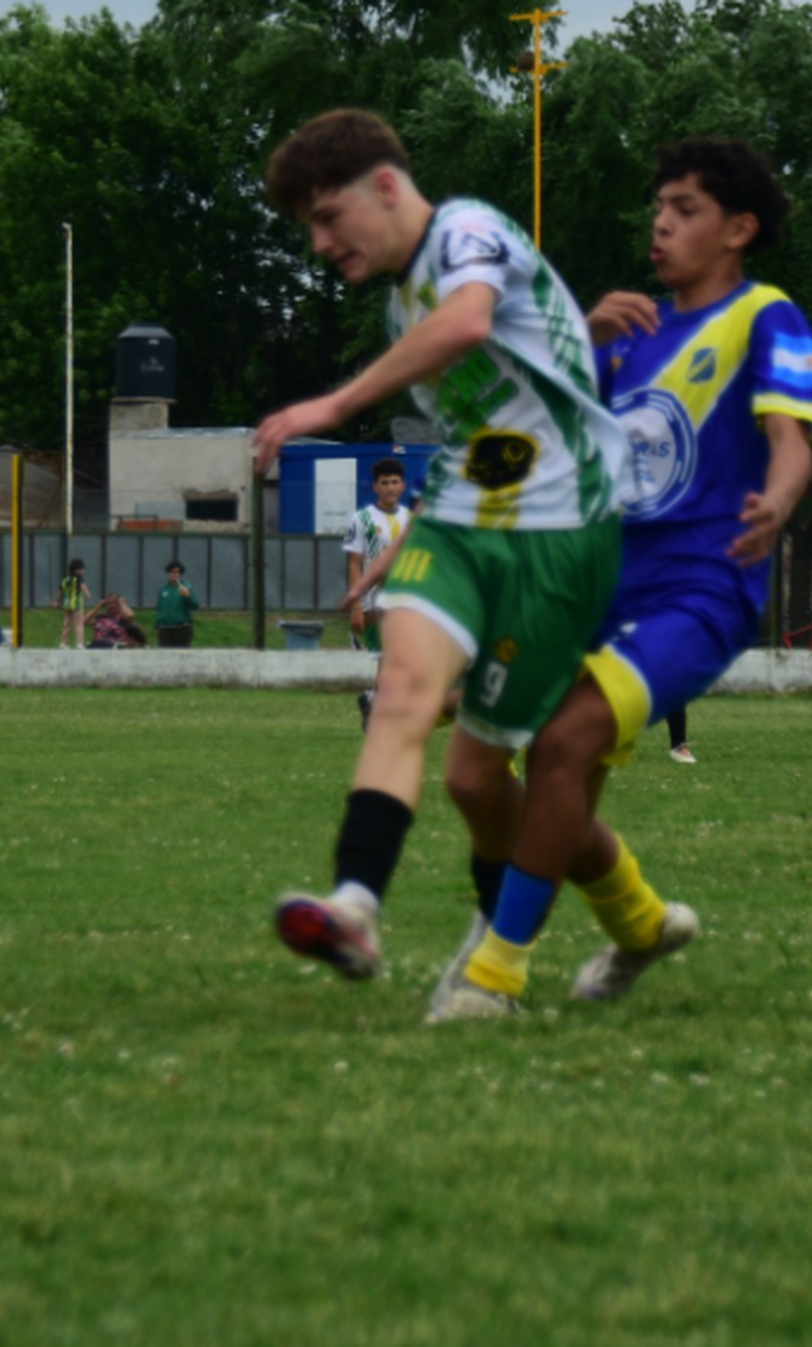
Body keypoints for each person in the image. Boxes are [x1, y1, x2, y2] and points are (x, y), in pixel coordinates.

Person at [431, 137, 812, 1020]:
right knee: (496, 778)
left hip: (701, 590)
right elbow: (535, 433)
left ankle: (494, 973)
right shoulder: (628, 331)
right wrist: (581, 337)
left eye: (684, 209)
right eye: (658, 207)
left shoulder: (768, 317)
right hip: (590, 584)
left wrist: (779, 501)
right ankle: (642, 925)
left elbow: (791, 439)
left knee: (563, 746)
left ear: (738, 228)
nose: (661, 223)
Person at [252, 108, 629, 989]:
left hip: (561, 533)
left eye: (325, 216)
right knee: (400, 694)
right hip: (463, 519)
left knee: (476, 778)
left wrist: (330, 407)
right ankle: (355, 906)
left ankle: (570, 930)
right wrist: (406, 540)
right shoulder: (397, 307)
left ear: (385, 187)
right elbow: (478, 432)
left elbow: (466, 326)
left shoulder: (468, 231)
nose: (316, 243)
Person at [343, 455, 408, 654]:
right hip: (373, 600)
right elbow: (354, 563)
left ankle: (362, 654)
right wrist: (355, 606)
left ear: (403, 486)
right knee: (380, 657)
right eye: (385, 482)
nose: (390, 487)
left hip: (406, 597)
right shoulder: (362, 519)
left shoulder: (411, 519)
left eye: (394, 482)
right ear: (375, 487)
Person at [154, 562, 200, 647]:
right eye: (171, 572)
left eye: (177, 572)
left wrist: (188, 596)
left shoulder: (186, 587)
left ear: (180, 574)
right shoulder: (163, 589)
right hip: (165, 628)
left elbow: (195, 606)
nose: (174, 575)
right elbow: (160, 609)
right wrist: (157, 626)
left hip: (181, 628)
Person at [56, 559, 92, 649]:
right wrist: (88, 594)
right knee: (79, 624)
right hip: (77, 603)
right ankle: (79, 643)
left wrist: (56, 601)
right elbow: (82, 586)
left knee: (67, 623)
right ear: (77, 569)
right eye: (82, 569)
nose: (83, 571)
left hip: (67, 603)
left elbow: (60, 591)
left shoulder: (65, 579)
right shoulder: (78, 578)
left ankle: (63, 643)